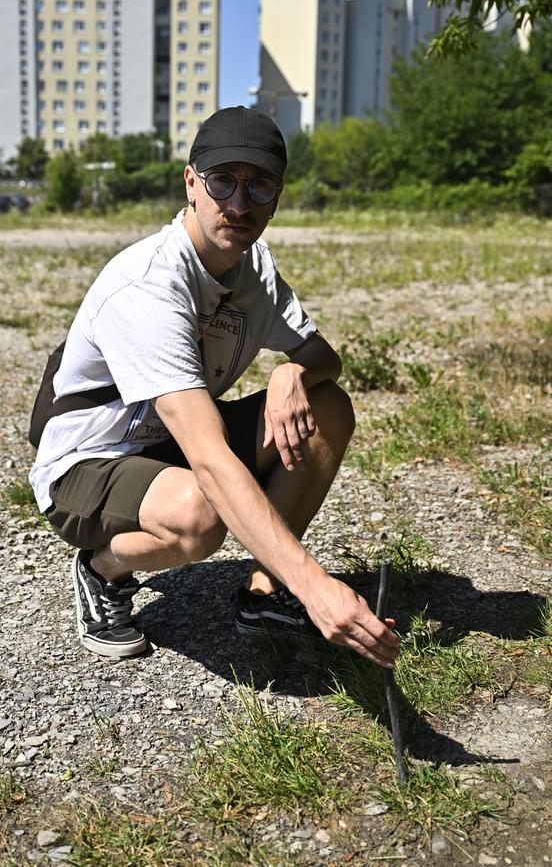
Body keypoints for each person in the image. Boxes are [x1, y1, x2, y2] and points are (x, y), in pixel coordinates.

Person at [29, 106, 398, 668]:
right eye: (223, 180)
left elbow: (323, 355)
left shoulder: (255, 270)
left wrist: (293, 372)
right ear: (191, 182)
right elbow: (208, 457)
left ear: (278, 195)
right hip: (90, 459)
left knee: (328, 407)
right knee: (201, 515)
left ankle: (264, 592)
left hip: (166, 443)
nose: (239, 203)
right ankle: (102, 568)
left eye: (260, 185)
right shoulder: (150, 282)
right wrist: (317, 588)